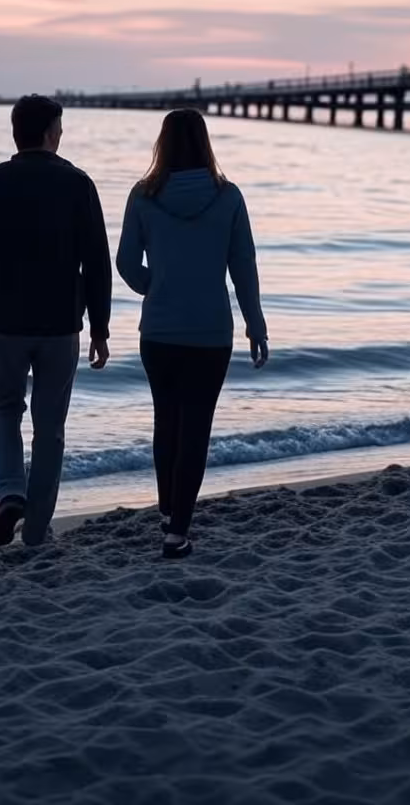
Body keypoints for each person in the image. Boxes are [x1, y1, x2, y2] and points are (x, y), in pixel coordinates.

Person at [0, 95, 111, 547]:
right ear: (49, 133)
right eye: (60, 127)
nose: (62, 135)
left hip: (1, 323)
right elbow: (97, 262)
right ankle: (36, 531)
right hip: (60, 324)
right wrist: (100, 327)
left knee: (3, 411)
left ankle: (11, 492)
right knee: (49, 427)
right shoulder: (78, 184)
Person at [116, 108, 268, 559]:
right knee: (196, 428)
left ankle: (167, 513)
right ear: (205, 143)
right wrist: (255, 325)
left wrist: (157, 287)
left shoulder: (143, 195)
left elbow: (125, 264)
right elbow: (243, 268)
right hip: (210, 333)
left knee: (167, 422)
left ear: (162, 143)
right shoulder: (229, 196)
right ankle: (177, 529)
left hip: (159, 331)